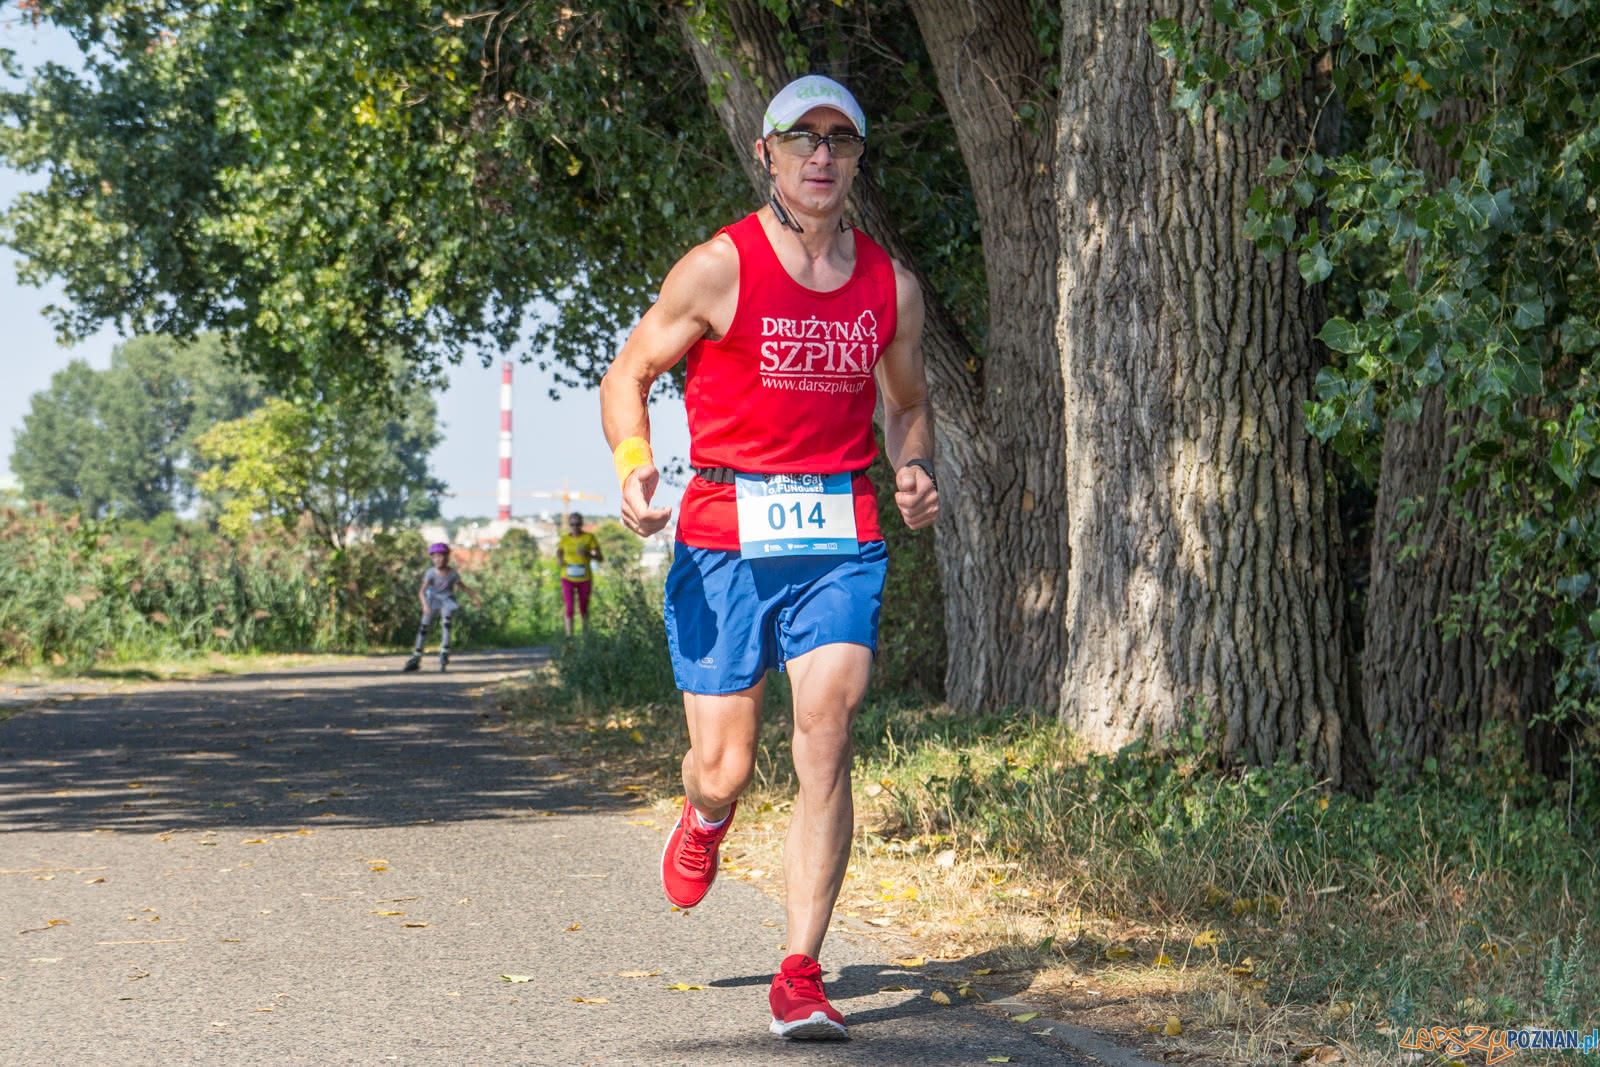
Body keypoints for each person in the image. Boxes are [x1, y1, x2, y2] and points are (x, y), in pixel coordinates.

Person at [598, 74, 938, 1042]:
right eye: (803, 137)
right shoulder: (718, 267)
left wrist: (911, 468)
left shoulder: (890, 286)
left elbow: (907, 403)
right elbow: (630, 373)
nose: (822, 154)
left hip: (838, 532)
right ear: (768, 152)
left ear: (858, 158)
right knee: (725, 763)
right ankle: (704, 817)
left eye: (841, 138)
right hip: (722, 532)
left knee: (826, 729)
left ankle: (800, 970)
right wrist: (633, 465)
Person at [403, 542, 477, 672]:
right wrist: (425, 605)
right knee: (424, 627)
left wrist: (475, 598)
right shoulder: (431, 573)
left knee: (447, 624)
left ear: (447, 557)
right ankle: (416, 655)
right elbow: (422, 591)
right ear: (432, 559)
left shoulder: (452, 574)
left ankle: (444, 651)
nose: (439, 559)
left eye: (442, 556)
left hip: (447, 600)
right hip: (432, 600)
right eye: (436, 557)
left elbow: (463, 587)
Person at [556, 511, 604, 636]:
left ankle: (585, 636)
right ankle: (569, 637)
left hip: (584, 578)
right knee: (569, 608)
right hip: (567, 578)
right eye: (572, 524)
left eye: (577, 524)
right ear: (569, 525)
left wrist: (588, 554)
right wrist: (560, 560)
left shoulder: (589, 537)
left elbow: (600, 558)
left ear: (581, 524)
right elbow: (559, 551)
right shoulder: (564, 539)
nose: (575, 527)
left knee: (584, 608)